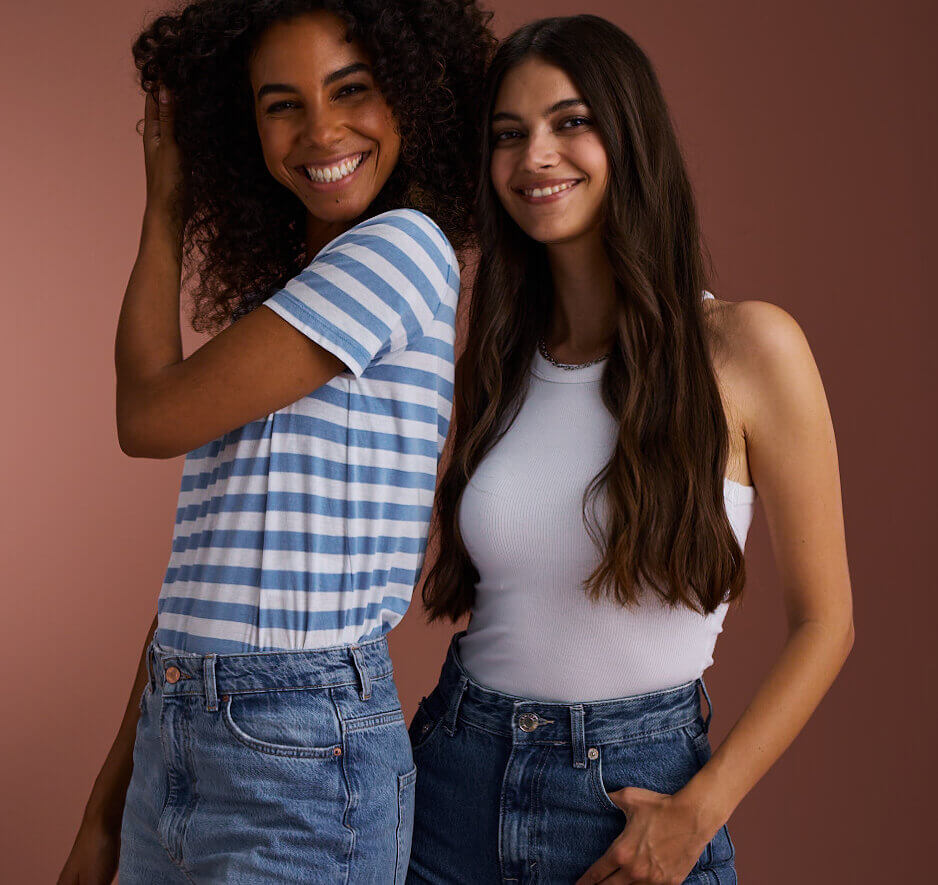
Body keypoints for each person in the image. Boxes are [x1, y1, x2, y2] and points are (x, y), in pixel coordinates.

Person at [407, 15, 854, 885]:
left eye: (570, 122)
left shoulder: (748, 349)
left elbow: (827, 623)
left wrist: (701, 808)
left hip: (630, 801)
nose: (535, 155)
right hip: (453, 780)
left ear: (631, 133)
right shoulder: (496, 365)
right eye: (509, 134)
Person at [57, 1, 493, 882]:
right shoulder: (293, 305)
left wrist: (167, 206)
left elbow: (144, 416)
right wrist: (106, 812)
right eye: (281, 103)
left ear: (413, 92)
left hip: (299, 754)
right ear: (246, 125)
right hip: (180, 734)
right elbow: (196, 589)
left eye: (353, 89)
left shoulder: (403, 252)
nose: (321, 129)